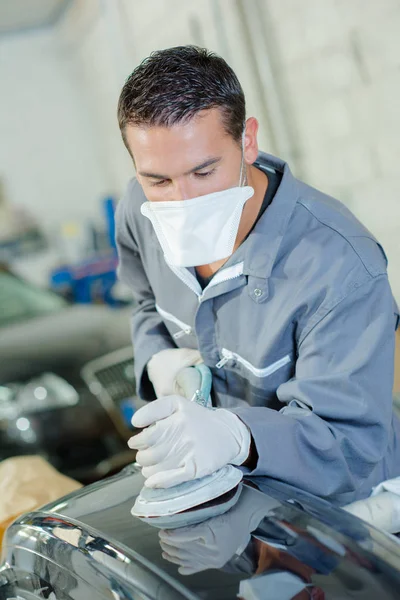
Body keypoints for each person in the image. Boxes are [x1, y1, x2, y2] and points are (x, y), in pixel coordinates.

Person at [115, 45, 400, 506]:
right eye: (159, 181)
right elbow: (145, 302)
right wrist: (156, 359)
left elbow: (347, 444)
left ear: (247, 141)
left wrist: (237, 434)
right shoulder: (137, 211)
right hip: (241, 503)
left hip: (350, 508)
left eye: (204, 171)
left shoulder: (340, 264)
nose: (182, 203)